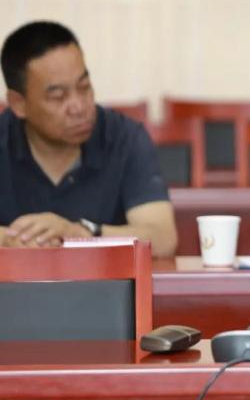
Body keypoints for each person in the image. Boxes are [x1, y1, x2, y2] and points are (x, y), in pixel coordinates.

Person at [0, 20, 178, 257]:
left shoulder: (125, 138)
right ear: (18, 104)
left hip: (105, 282)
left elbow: (163, 239)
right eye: (58, 96)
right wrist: (9, 240)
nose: (79, 106)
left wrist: (81, 233)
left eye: (84, 87)